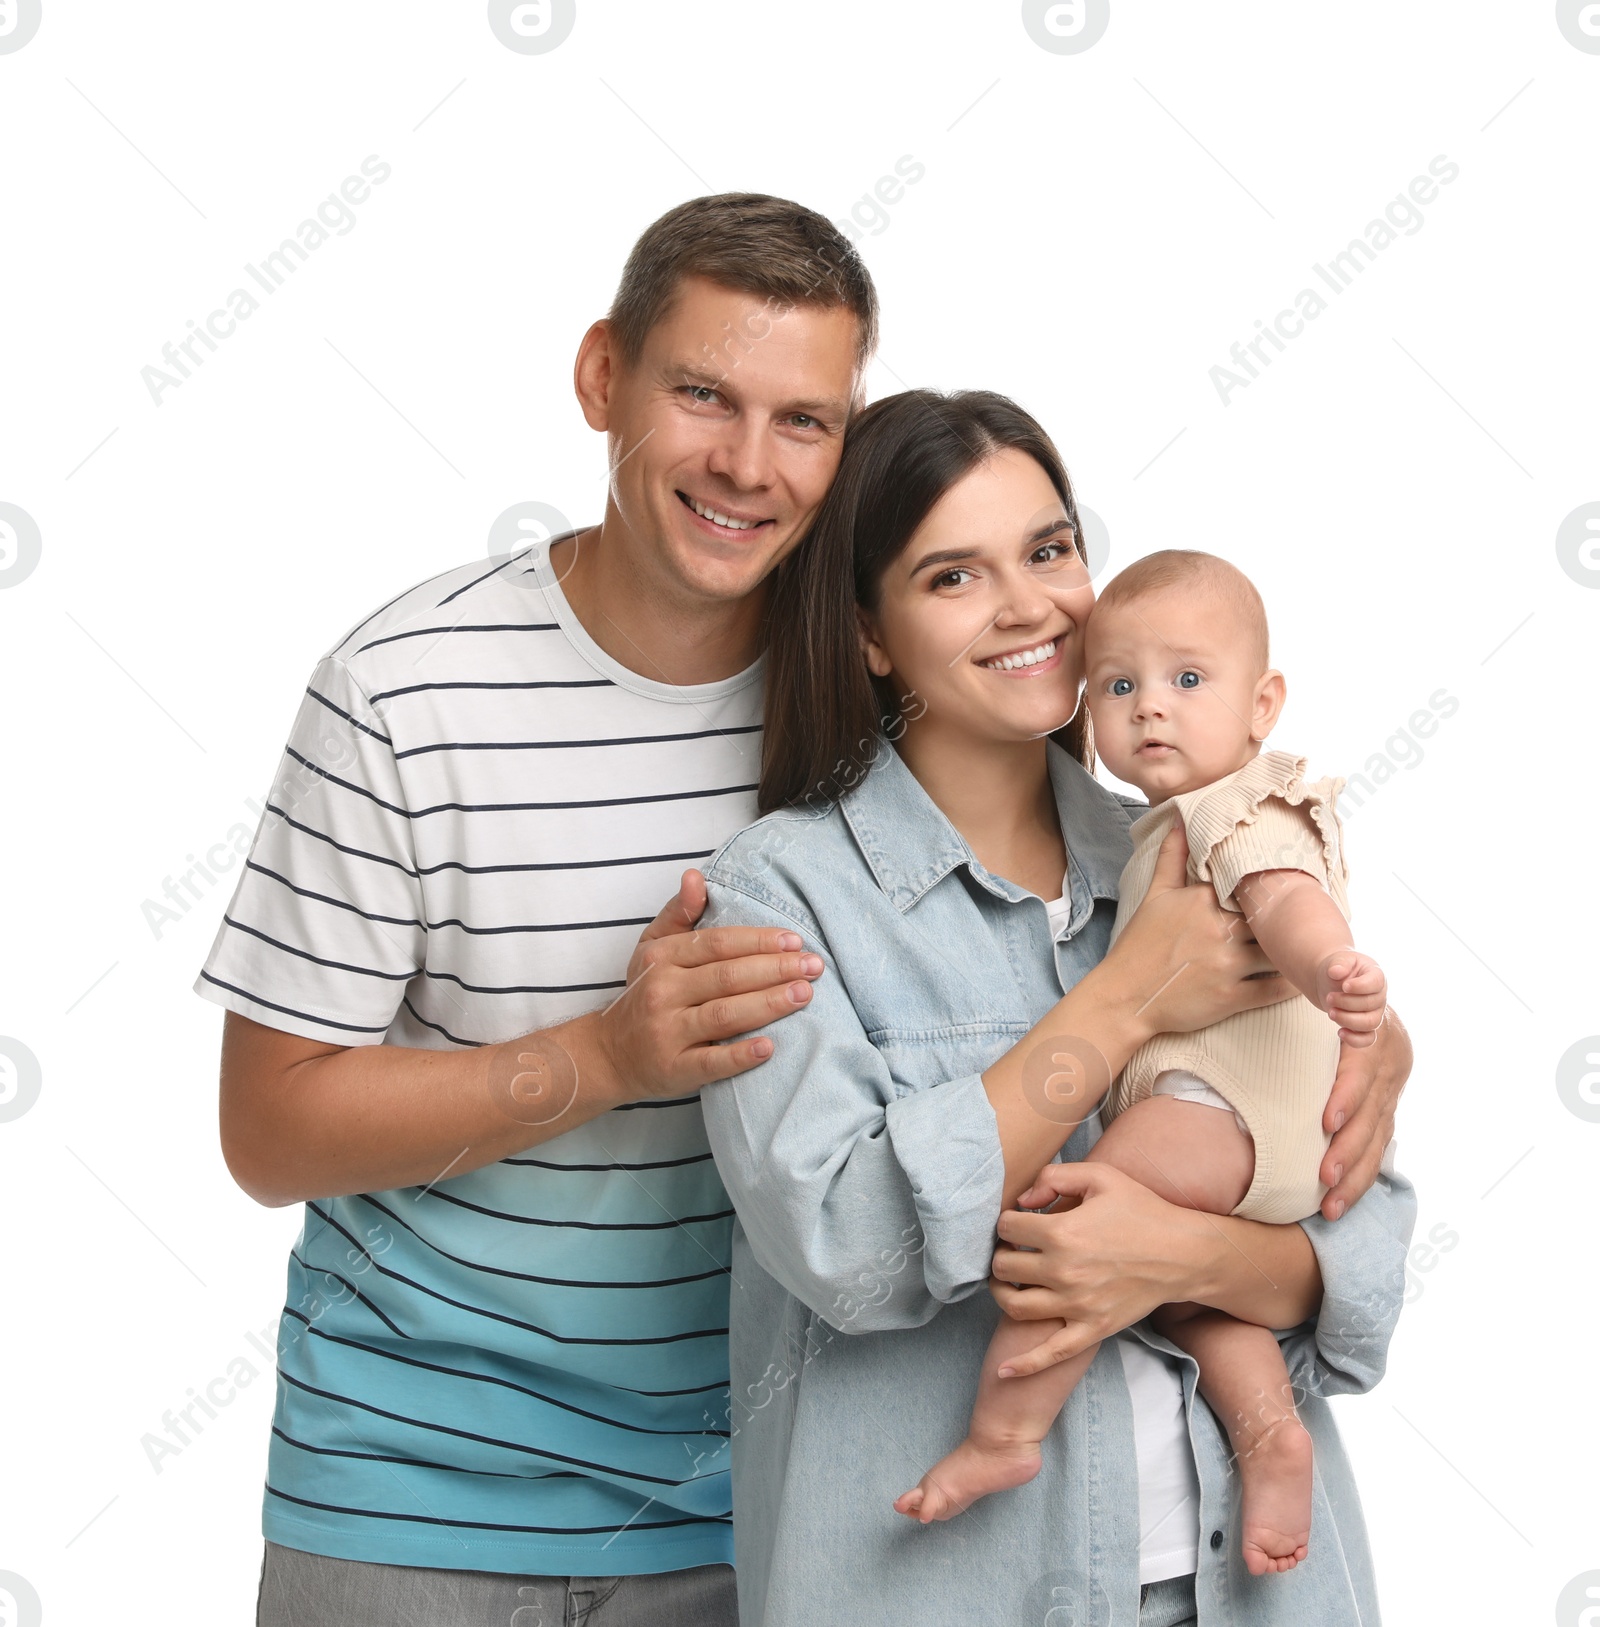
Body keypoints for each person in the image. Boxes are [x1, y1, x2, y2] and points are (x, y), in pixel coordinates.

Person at [198, 193, 879, 1626]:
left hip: (765, 1499)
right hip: (406, 1490)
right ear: (602, 378)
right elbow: (270, 1130)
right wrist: (610, 1057)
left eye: (804, 420)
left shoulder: (871, 701)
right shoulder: (399, 690)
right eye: (703, 394)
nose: (749, 466)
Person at [697, 389, 1414, 1626]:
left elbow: (1364, 1258)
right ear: (869, 634)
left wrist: (1189, 1252)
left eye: (1047, 550)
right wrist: (1129, 998)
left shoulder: (1190, 848)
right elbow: (850, 1253)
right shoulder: (780, 894)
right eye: (951, 577)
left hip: (1248, 1583)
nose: (1029, 606)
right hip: (942, 1590)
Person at [900, 549, 1388, 1580]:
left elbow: (1285, 899)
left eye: (1186, 681)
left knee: (1086, 1231)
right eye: (1119, 687)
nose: (1149, 710)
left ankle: (1005, 1429)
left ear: (1264, 704)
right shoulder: (1157, 823)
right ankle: (1268, 1432)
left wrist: (1331, 968)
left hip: (1222, 1111)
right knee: (1181, 1284)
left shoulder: (1233, 808)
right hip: (1261, 1141)